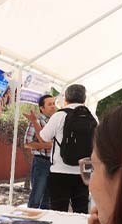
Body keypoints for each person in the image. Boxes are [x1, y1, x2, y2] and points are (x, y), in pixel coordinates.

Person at [34, 84, 97, 213]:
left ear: (66, 99)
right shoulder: (93, 117)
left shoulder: (59, 116)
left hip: (59, 171)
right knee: (81, 211)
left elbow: (44, 137)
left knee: (58, 211)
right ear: (84, 99)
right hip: (84, 171)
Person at [23, 94, 57, 209]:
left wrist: (50, 146)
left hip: (54, 163)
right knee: (36, 197)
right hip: (41, 163)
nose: (53, 106)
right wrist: (47, 145)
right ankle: (29, 223)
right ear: (42, 108)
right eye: (50, 104)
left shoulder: (56, 121)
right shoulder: (36, 121)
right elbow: (27, 143)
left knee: (48, 199)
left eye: (54, 103)